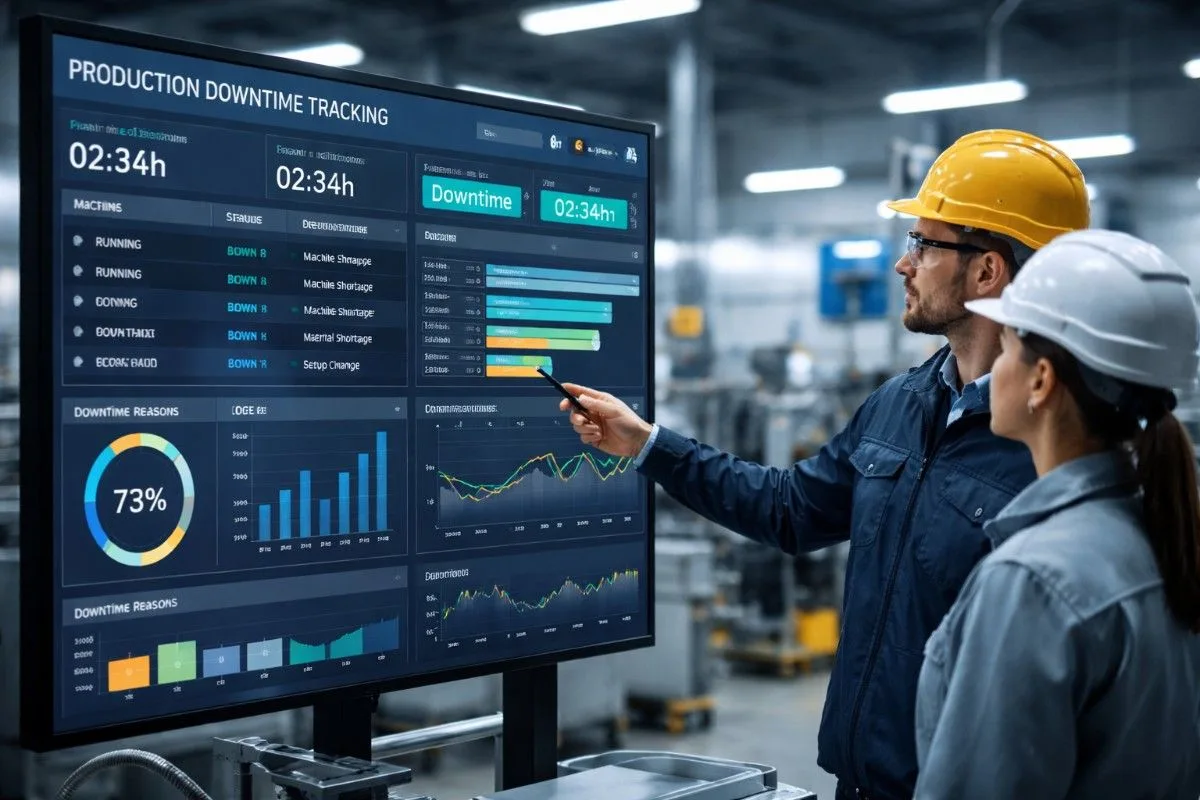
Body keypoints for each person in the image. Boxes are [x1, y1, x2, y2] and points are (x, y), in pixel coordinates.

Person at [558, 129, 1091, 800]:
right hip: (863, 782)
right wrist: (647, 444)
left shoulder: (1054, 443)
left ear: (986, 271)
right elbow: (789, 508)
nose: (903, 264)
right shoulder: (900, 404)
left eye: (923, 244)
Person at [912, 229, 1200, 799]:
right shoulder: (1166, 536)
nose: (997, 365)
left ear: (1041, 380)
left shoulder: (1032, 582)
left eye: (1010, 345)